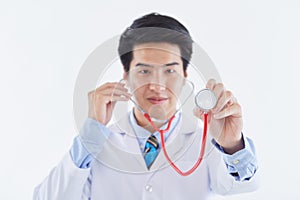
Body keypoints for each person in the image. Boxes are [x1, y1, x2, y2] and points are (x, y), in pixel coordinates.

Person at [34, 13, 259, 200]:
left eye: (170, 71)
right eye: (144, 71)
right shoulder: (95, 145)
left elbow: (242, 186)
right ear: (126, 75)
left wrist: (232, 145)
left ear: (185, 76)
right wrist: (92, 130)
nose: (158, 85)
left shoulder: (205, 143)